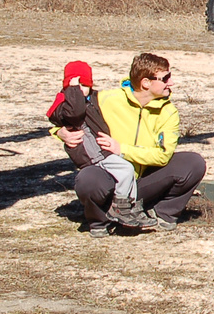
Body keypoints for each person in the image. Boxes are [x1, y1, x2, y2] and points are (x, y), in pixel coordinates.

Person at [57, 53, 206, 236]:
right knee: (88, 178)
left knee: (193, 163)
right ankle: (100, 220)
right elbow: (69, 111)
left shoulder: (169, 112)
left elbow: (163, 155)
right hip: (111, 179)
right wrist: (58, 132)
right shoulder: (107, 99)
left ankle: (160, 212)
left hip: (143, 182)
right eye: (165, 78)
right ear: (146, 83)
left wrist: (122, 150)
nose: (171, 82)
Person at [46, 60, 146, 228]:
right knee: (123, 170)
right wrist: (73, 91)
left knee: (126, 170)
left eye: (85, 85)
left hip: (102, 151)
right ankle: (120, 208)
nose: (81, 89)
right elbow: (75, 114)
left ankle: (129, 206)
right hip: (91, 156)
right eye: (77, 85)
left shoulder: (92, 99)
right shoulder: (65, 105)